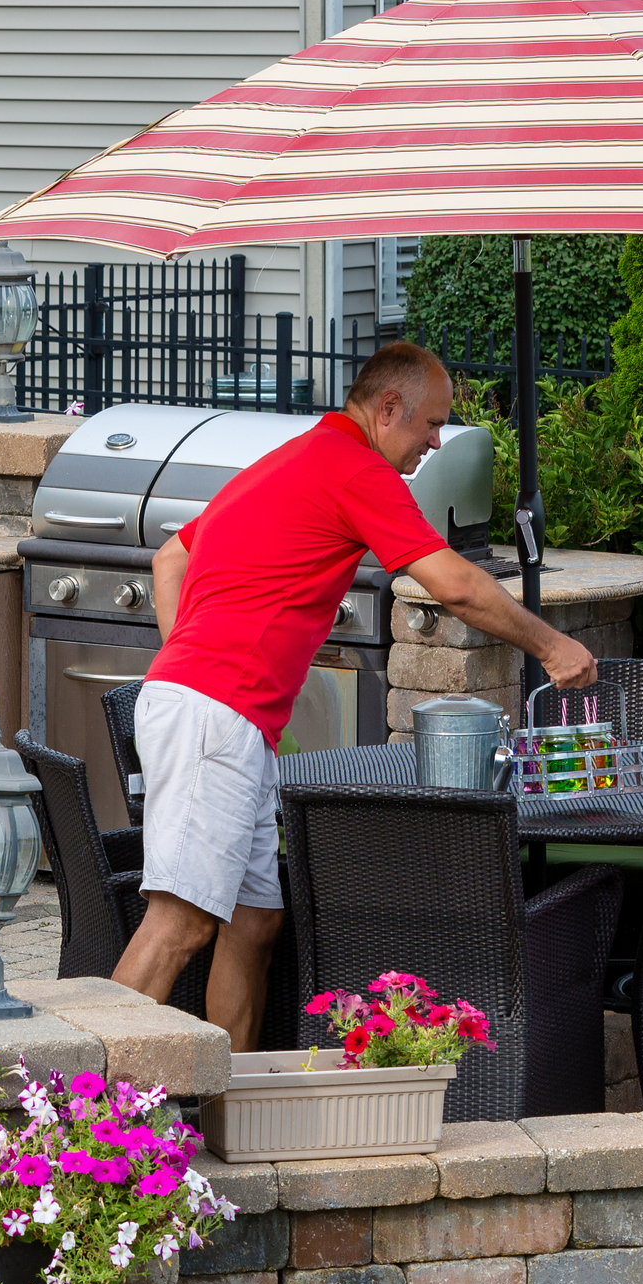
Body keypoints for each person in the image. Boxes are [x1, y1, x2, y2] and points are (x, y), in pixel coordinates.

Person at [112, 341, 598, 1048]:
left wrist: (186, 658)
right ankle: (74, 1117)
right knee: (179, 924)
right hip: (215, 711)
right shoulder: (356, 469)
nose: (437, 440)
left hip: (223, 712)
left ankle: (225, 1112)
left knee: (255, 921)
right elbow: (456, 585)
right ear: (387, 408)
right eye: (431, 423)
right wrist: (553, 646)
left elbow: (172, 557)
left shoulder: (293, 456)